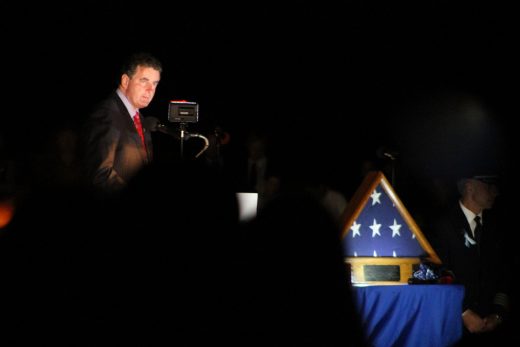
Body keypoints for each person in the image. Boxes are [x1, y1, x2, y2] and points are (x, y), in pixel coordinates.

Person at [429, 174, 511, 345]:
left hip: (492, 327)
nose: (495, 192)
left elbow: (505, 273)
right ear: (469, 187)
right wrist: (463, 312)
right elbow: (437, 272)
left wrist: (498, 314)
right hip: (454, 328)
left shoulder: (498, 227)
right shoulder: (442, 225)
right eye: (489, 185)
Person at [81, 52, 162, 195]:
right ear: (125, 81)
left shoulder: (140, 118)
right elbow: (100, 175)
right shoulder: (106, 113)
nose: (151, 90)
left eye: (155, 83)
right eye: (144, 80)